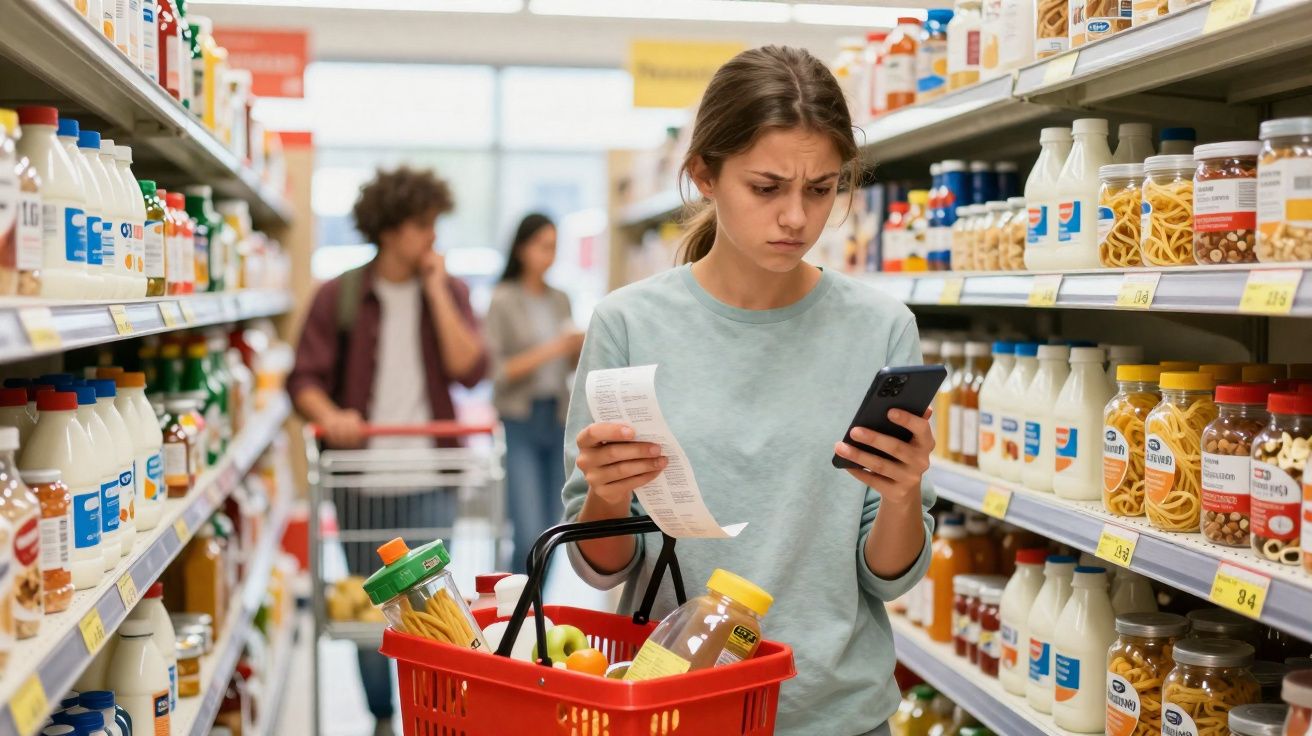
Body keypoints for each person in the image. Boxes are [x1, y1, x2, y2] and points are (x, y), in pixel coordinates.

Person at [561, 47, 935, 736]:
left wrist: (903, 493)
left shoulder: (881, 329)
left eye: (821, 189)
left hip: (837, 714)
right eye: (767, 188)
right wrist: (607, 495)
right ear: (704, 174)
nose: (796, 217)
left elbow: (888, 577)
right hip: (675, 709)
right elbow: (601, 569)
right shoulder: (628, 324)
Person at [288, 166, 487, 735]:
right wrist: (332, 416)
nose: (432, 236)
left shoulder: (449, 290)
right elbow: (303, 379)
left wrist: (436, 292)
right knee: (370, 612)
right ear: (389, 228)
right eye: (423, 224)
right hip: (360, 482)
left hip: (432, 476)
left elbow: (470, 368)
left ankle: (433, 716)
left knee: (434, 613)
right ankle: (381, 715)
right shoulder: (341, 295)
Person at [485, 214, 584, 572]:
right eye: (543, 246)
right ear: (522, 248)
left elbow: (568, 367)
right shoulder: (503, 300)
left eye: (554, 247)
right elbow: (497, 371)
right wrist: (555, 347)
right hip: (520, 420)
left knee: (552, 532)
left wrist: (578, 348)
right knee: (528, 531)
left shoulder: (561, 299)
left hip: (557, 418)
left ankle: (536, 604)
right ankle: (514, 601)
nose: (549, 255)